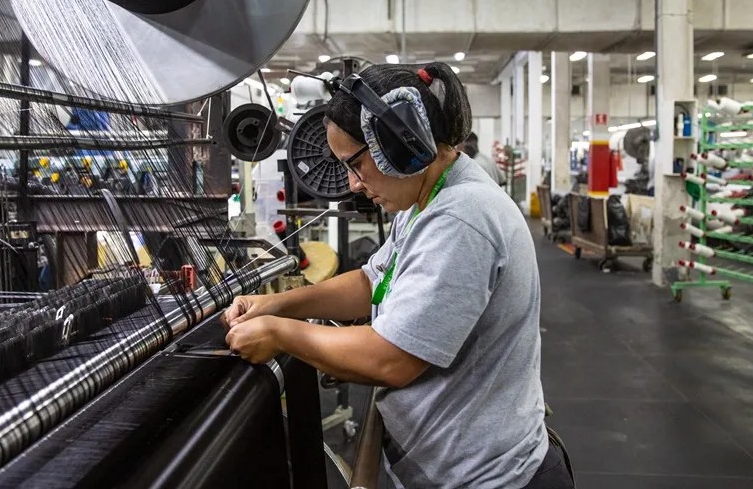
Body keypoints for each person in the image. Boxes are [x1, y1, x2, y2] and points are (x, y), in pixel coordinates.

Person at [222, 62, 572, 489]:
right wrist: (278, 303)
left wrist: (281, 333)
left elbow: (393, 358)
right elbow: (373, 280)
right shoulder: (426, 200)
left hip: (489, 479)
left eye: (355, 164)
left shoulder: (462, 217)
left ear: (399, 143)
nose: (352, 184)